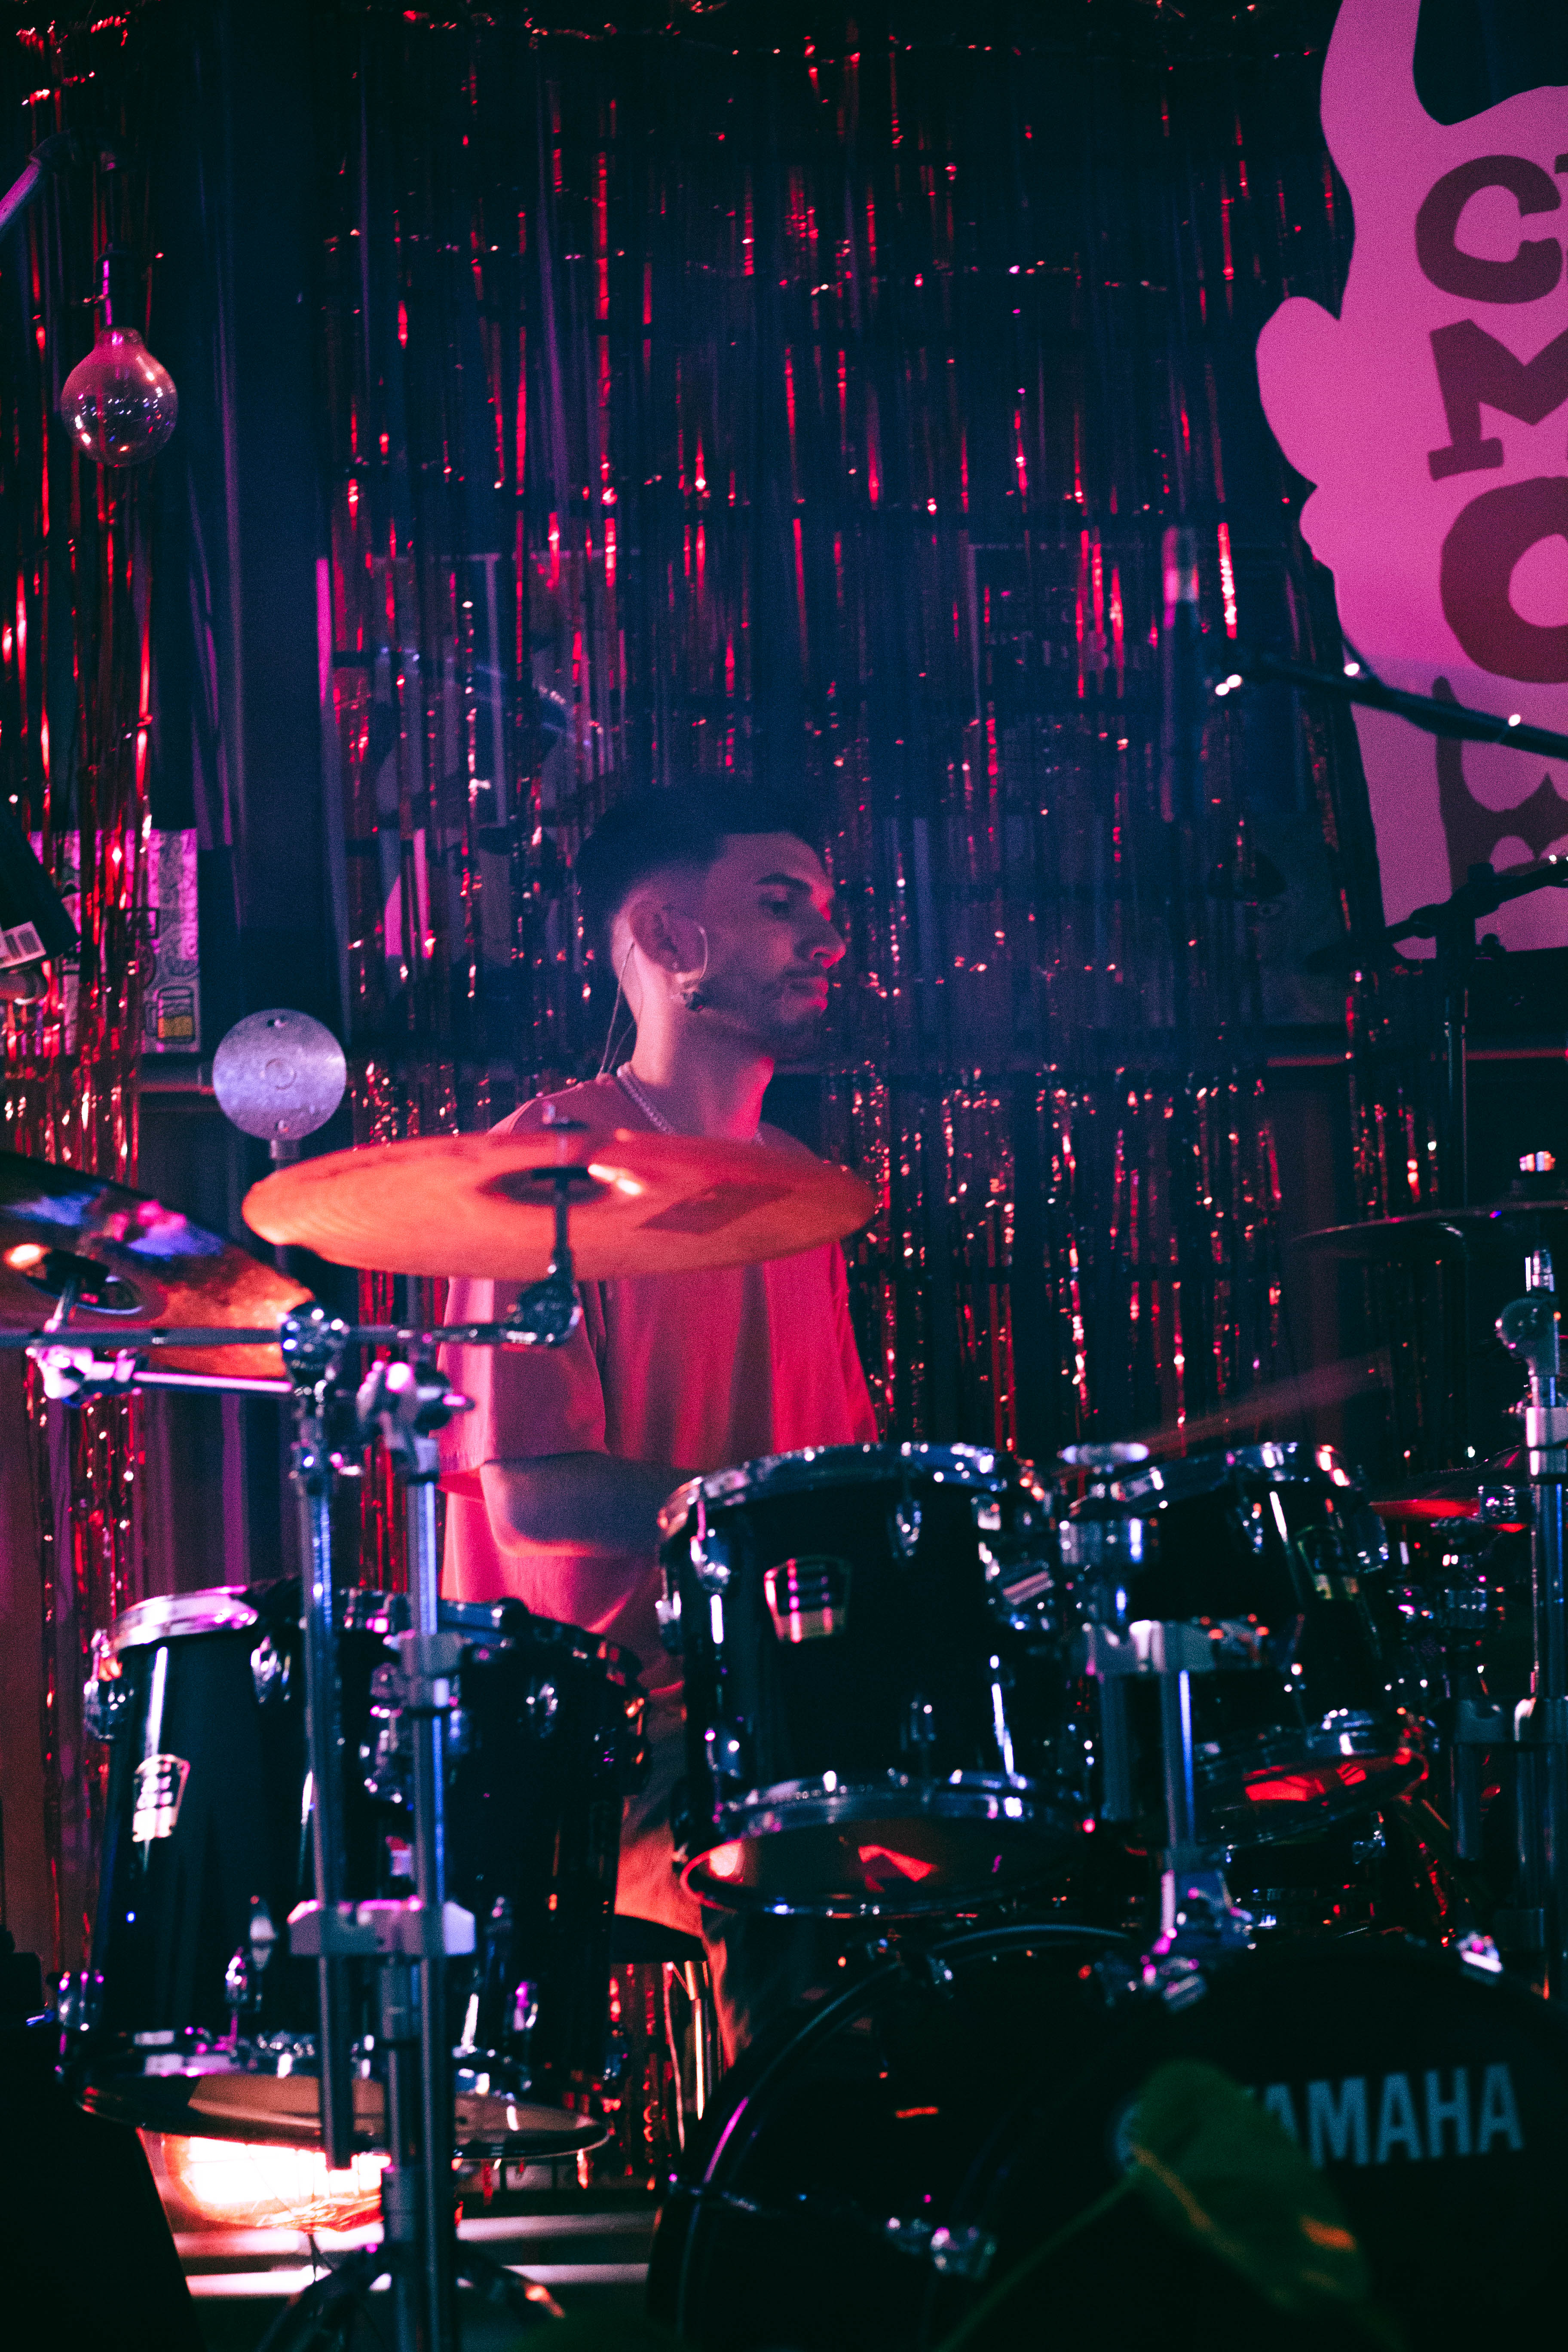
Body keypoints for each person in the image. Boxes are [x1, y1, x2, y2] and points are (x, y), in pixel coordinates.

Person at [437, 781, 878, 2051]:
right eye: (782, 904)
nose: (828, 938)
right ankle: (788, 2152)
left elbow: (841, 1479)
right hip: (615, 1726)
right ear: (671, 938)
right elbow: (533, 1496)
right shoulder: (545, 1171)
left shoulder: (802, 1188)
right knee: (802, 1862)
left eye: (827, 906)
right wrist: (761, 1522)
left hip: (784, 1689)